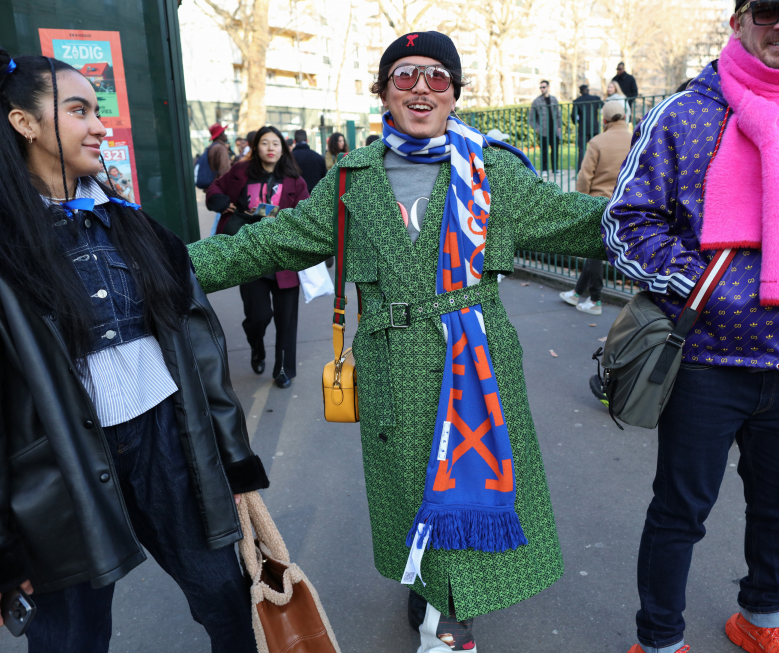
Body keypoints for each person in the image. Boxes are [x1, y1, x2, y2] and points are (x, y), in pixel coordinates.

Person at [186, 30, 609, 652]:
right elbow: (267, 242)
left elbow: (584, 222)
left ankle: (448, 620)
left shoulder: (491, 172)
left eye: (437, 77)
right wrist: (165, 267)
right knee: (415, 490)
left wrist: (694, 214)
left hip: (476, 365)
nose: (420, 88)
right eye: (404, 74)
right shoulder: (351, 180)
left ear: (455, 94)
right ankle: (431, 589)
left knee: (468, 482)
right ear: (381, 89)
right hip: (390, 365)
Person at [0, 46, 268, 652]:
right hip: (56, 470)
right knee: (71, 637)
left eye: (97, 111)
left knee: (228, 600)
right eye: (78, 110)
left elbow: (201, 350)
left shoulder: (134, 224)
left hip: (167, 444)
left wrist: (230, 463)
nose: (99, 125)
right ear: (23, 123)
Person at [603, 1, 779, 651]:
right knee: (680, 510)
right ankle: (657, 638)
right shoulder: (685, 114)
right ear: (738, 23)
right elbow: (626, 222)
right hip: (707, 360)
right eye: (768, 9)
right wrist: (706, 292)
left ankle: (762, 619)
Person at [207, 126, 309, 389]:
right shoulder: (241, 172)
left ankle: (284, 369)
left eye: (276, 143)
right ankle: (256, 346)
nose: (271, 148)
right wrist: (220, 201)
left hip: (284, 258)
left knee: (287, 320)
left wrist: (281, 217)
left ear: (283, 148)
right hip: (249, 256)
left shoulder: (295, 180)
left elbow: (305, 214)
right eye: (265, 143)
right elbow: (215, 189)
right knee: (258, 316)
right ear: (256, 147)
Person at [562, 99, 632, 320]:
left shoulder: (597, 141)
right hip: (626, 203)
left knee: (594, 252)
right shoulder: (635, 139)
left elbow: (585, 176)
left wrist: (581, 203)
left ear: (604, 119)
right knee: (597, 252)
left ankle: (595, 299)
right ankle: (576, 293)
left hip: (599, 204)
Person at [528, 79, 561, 175]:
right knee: (544, 151)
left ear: (548, 87)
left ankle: (555, 169)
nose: (542, 89)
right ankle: (544, 170)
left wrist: (558, 127)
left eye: (544, 87)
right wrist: (537, 128)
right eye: (541, 87)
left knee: (555, 150)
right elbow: (531, 118)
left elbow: (558, 115)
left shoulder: (554, 99)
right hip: (543, 130)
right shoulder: (536, 101)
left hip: (554, 129)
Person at [571, 83, 602, 171]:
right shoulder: (596, 99)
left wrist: (577, 122)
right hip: (594, 127)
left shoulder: (577, 101)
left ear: (580, 92)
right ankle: (598, 168)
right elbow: (603, 107)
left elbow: (574, 116)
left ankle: (580, 170)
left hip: (583, 128)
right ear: (587, 90)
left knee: (581, 150)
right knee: (597, 148)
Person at [291, 128, 328, 194]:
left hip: (296, 198)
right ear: (307, 140)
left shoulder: (289, 158)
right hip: (316, 197)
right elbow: (325, 179)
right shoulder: (318, 157)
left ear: (294, 141)